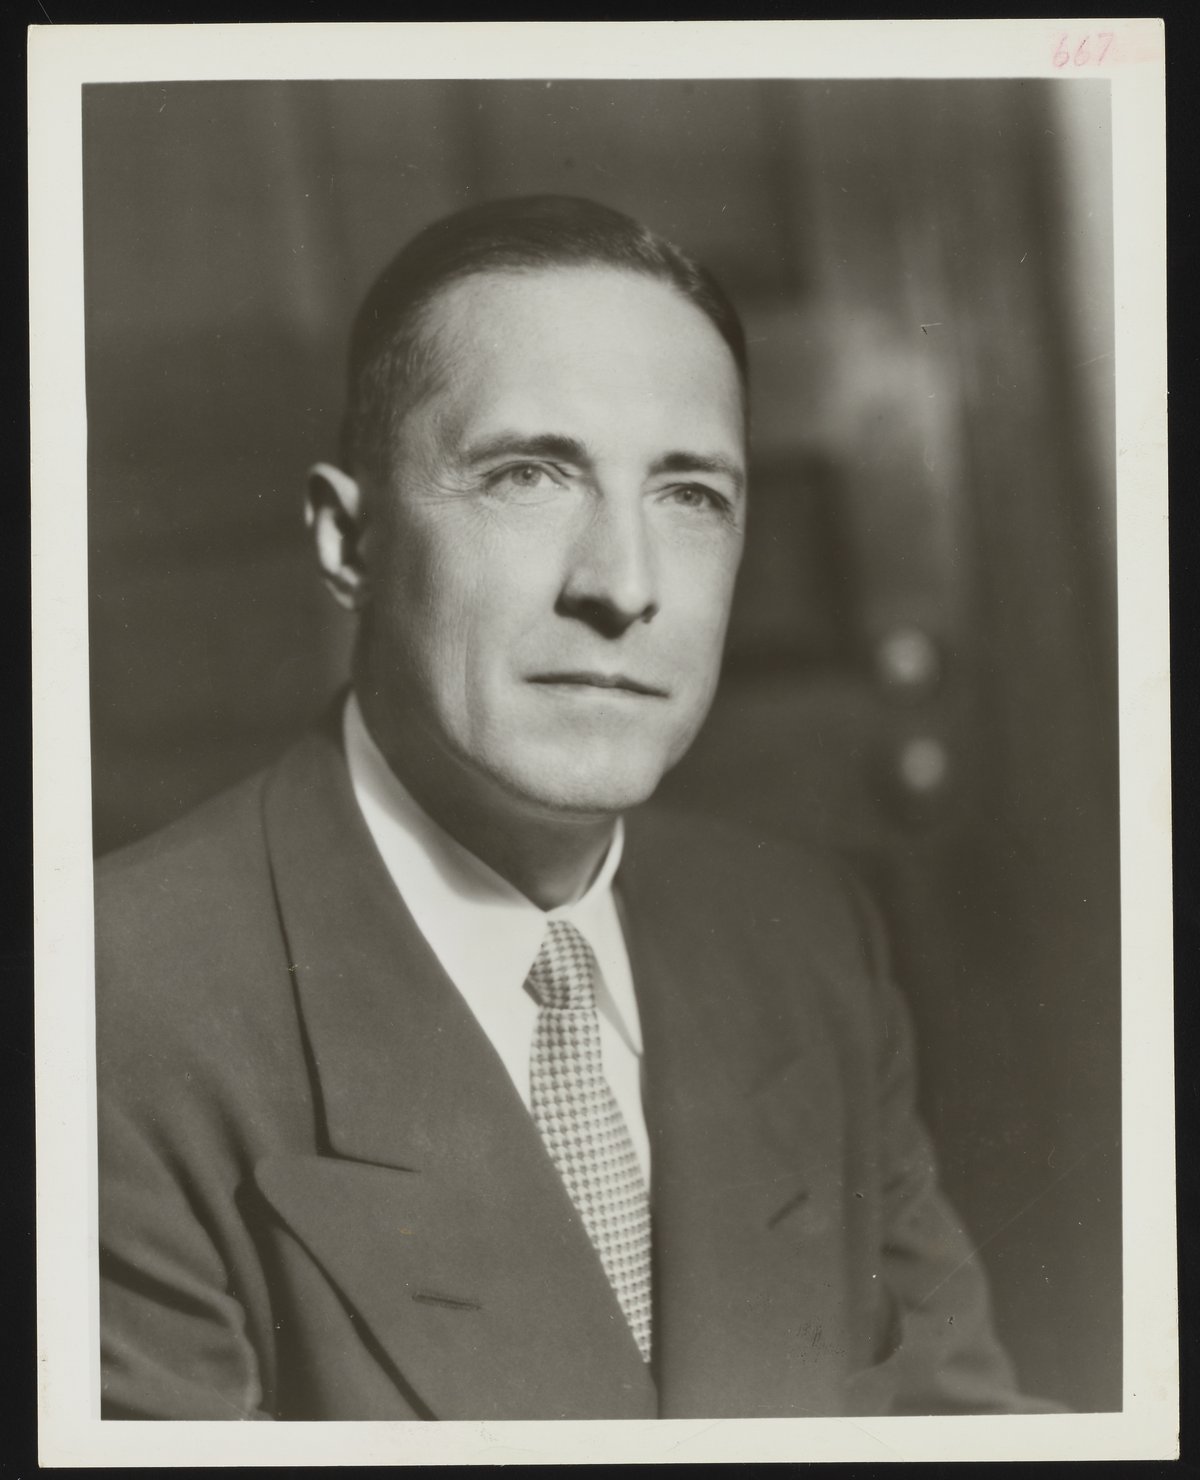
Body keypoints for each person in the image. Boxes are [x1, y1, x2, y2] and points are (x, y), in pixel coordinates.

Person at [96, 195, 1057, 1421]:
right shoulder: (109, 1012)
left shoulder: (805, 939)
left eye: (689, 494)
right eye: (528, 475)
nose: (623, 584)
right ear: (350, 541)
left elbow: (954, 1426)